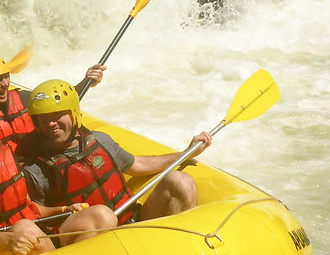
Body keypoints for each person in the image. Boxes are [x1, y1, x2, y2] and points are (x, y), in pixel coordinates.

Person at [0, 99, 116, 255]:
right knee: (25, 228)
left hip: (31, 237)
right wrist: (9, 240)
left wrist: (63, 209)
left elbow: (26, 208)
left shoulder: (0, 157)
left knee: (101, 215)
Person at [18, 79, 212, 224]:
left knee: (180, 181)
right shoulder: (36, 169)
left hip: (130, 220)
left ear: (74, 114)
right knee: (103, 217)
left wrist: (186, 152)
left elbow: (137, 164)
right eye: (44, 119)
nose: (51, 124)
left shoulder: (100, 141)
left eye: (57, 115)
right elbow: (36, 214)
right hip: (96, 240)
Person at [0, 55, 106, 154]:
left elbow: (60, 101)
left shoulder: (23, 98)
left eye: (6, 77)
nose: (5, 84)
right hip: (14, 172)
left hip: (41, 159)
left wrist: (86, 81)